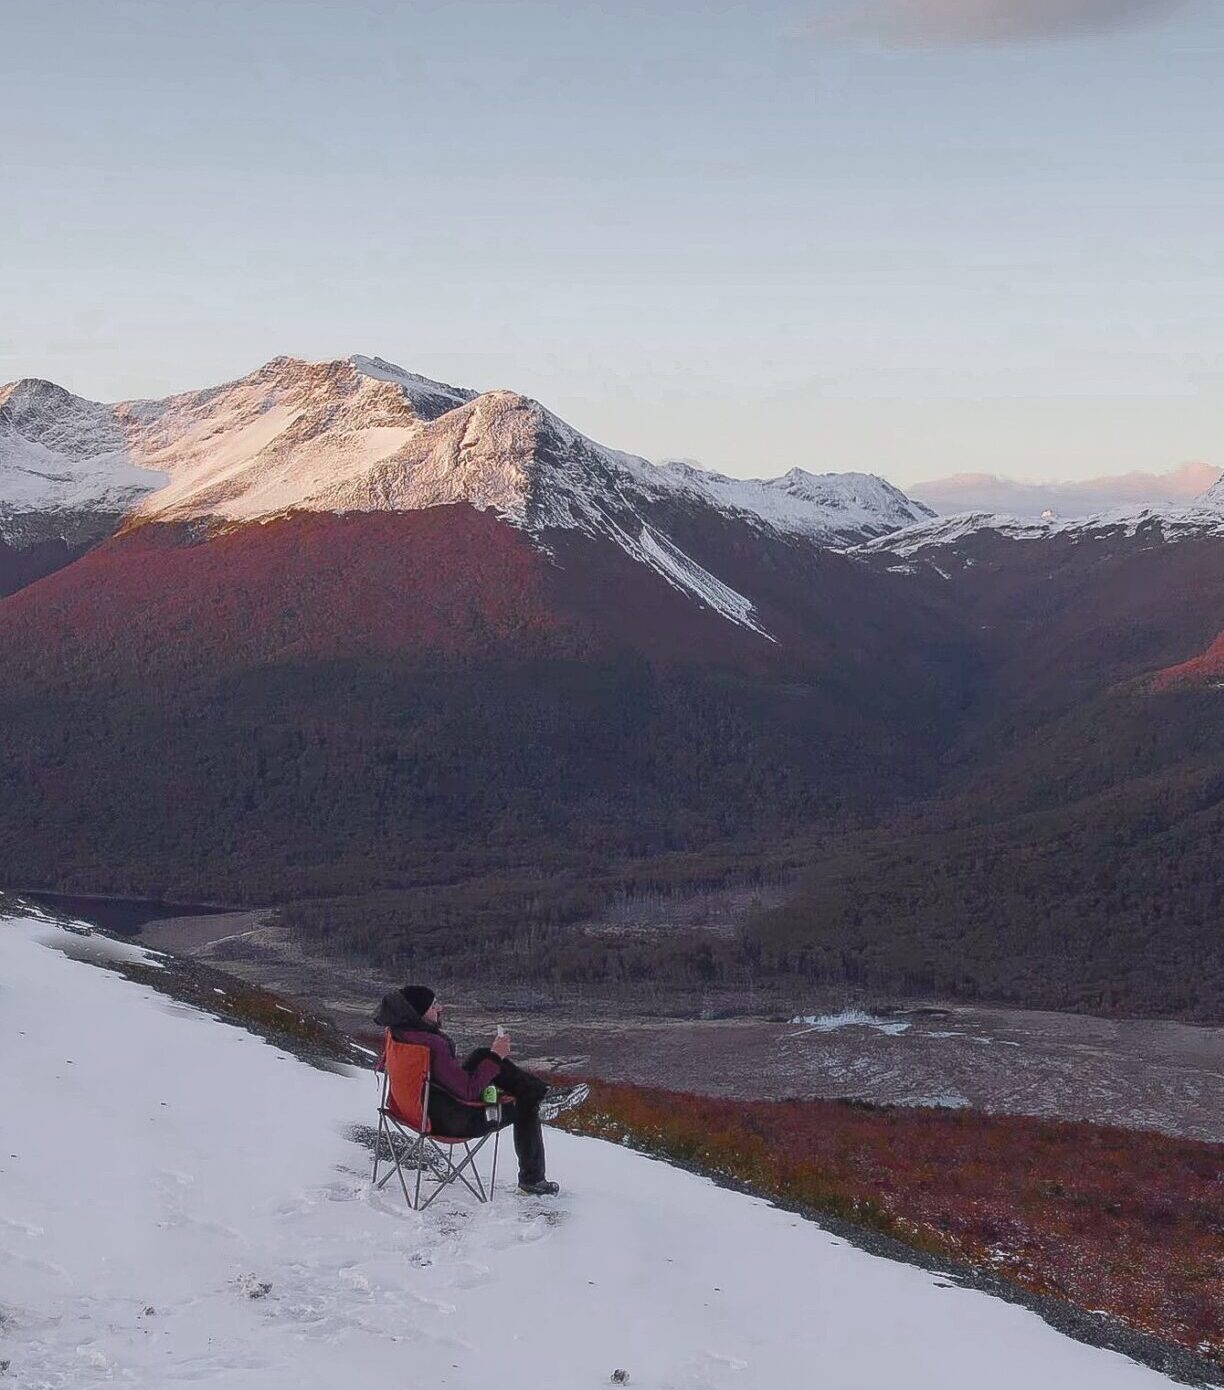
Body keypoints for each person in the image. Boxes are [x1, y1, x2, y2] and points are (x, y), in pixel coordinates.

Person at [373, 983, 586, 1197]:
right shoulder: (432, 1044)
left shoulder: (400, 1033)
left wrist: (490, 1058)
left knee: (480, 1056)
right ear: (417, 1013)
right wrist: (496, 1056)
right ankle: (532, 1180)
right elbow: (468, 1091)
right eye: (433, 1005)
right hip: (453, 1122)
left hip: (415, 1110)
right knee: (525, 1103)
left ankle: (542, 1094)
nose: (440, 1008)